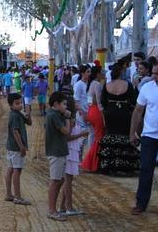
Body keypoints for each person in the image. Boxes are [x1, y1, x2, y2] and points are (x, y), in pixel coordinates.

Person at [129, 60, 158, 216]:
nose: (153, 76)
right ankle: (141, 203)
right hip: (149, 135)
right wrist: (132, 132)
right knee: (145, 169)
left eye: (157, 73)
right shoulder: (147, 88)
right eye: (153, 73)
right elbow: (137, 111)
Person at [45, 92, 89, 222]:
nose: (66, 107)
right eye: (63, 104)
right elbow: (67, 132)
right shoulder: (54, 116)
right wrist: (68, 118)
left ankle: (55, 209)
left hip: (60, 151)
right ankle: (52, 210)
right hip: (56, 152)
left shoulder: (55, 114)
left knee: (59, 181)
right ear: (56, 104)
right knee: (55, 181)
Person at [99, 63, 139, 175]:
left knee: (111, 134)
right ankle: (125, 165)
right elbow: (134, 100)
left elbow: (103, 101)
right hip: (124, 112)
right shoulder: (128, 84)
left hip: (111, 113)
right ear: (121, 73)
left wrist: (110, 107)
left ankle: (111, 165)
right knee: (125, 135)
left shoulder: (107, 85)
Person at [4, 93, 32, 206]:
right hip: (16, 148)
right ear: (11, 105)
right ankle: (18, 197)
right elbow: (15, 132)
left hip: (11, 147)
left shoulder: (18, 113)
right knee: (17, 170)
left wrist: (29, 113)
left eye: (21, 102)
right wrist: (21, 147)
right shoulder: (15, 115)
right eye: (17, 103)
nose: (20, 105)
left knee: (11, 169)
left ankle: (9, 194)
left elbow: (29, 123)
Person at [59, 111, 86, 217]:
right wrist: (81, 134)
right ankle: (69, 207)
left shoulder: (72, 119)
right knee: (68, 180)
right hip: (69, 151)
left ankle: (62, 206)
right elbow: (67, 137)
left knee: (69, 179)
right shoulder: (69, 120)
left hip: (72, 150)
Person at [80, 66, 104, 172]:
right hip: (96, 112)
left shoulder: (91, 84)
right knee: (98, 138)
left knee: (94, 137)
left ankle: (92, 163)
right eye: (101, 72)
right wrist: (103, 116)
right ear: (98, 74)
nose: (103, 73)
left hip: (91, 111)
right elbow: (99, 102)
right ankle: (92, 163)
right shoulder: (97, 85)